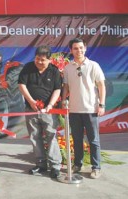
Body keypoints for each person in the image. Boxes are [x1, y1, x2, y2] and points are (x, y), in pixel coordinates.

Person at [62, 38, 106, 179]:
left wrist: (102, 104)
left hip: (91, 109)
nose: (79, 50)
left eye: (81, 48)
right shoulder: (68, 68)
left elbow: (101, 86)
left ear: (85, 48)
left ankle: (96, 167)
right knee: (77, 139)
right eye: (75, 48)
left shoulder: (94, 65)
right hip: (74, 110)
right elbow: (66, 87)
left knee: (94, 140)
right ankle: (78, 164)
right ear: (71, 50)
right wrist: (63, 100)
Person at [18, 45, 62, 179]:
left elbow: (57, 89)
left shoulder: (54, 71)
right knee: (35, 137)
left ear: (49, 60)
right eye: (37, 59)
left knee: (51, 136)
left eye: (43, 60)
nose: (39, 62)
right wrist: (31, 102)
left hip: (48, 110)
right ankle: (41, 164)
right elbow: (21, 85)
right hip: (31, 109)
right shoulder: (28, 68)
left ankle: (55, 166)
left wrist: (50, 105)